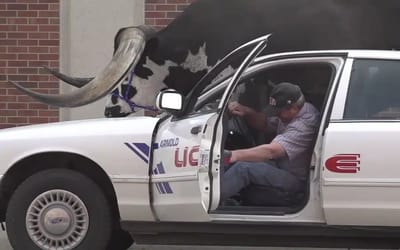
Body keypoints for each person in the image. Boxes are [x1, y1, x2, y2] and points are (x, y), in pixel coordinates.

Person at [220, 82, 320, 205]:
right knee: (238, 161)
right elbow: (265, 124)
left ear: (293, 108)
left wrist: (231, 155)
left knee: (243, 168)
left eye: (279, 112)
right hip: (280, 166)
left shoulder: (304, 125)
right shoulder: (297, 110)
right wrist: (247, 111)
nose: (277, 114)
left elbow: (271, 151)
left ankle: (208, 198)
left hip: (296, 180)